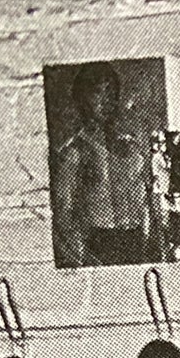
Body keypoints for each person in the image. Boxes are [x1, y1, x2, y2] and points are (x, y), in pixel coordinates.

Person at [51, 62, 156, 268]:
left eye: (111, 91)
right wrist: (84, 259)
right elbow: (63, 213)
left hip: (136, 243)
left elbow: (147, 200)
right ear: (83, 99)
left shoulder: (131, 147)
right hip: (99, 247)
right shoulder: (76, 151)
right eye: (98, 92)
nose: (107, 99)